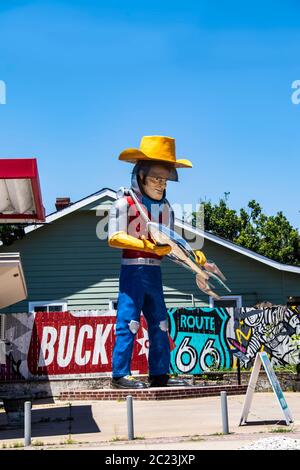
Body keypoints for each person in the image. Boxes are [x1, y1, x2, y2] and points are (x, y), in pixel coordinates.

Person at [108, 136, 207, 388]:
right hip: (132, 271)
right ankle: (120, 375)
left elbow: (170, 243)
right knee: (128, 322)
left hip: (154, 273)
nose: (161, 184)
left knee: (160, 323)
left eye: (164, 179)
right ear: (140, 176)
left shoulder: (166, 209)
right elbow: (114, 237)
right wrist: (146, 245)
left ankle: (160, 373)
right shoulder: (124, 202)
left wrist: (192, 255)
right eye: (156, 178)